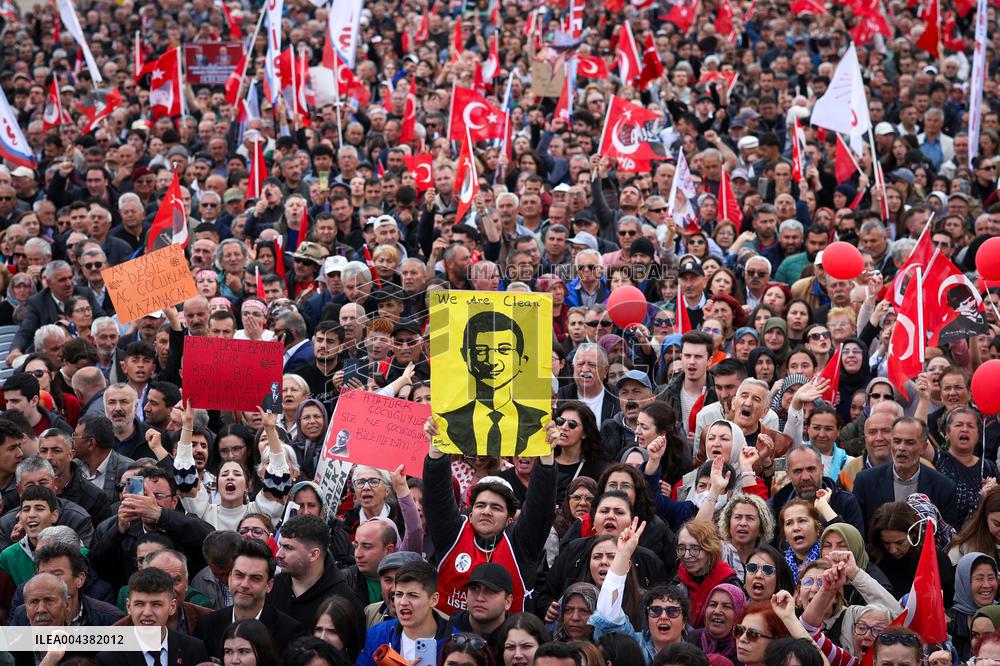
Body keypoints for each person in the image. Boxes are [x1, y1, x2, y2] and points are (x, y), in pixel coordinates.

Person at [422, 417, 557, 616]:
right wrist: (437, 450)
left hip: (506, 640)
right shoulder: (452, 533)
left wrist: (546, 456)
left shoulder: (521, 544)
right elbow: (437, 498)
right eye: (480, 505)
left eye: (496, 507)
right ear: (471, 509)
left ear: (510, 518)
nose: (486, 511)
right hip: (451, 638)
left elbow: (540, 507)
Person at [437, 311, 547, 456]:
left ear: (522, 360)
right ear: (466, 356)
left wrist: (549, 453)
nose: (492, 361)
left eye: (504, 350)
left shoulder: (540, 423)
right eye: (481, 351)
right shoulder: (445, 423)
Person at [194, 539, 304, 660]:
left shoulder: (290, 632)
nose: (245, 584)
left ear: (269, 585)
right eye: (239, 575)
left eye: (255, 578)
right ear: (230, 578)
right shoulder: (207, 625)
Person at [98, 568, 210, 666]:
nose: (147, 612)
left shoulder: (194, 649)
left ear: (172, 606)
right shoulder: (110, 657)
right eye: (139, 604)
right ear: (128, 606)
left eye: (156, 604)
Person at [356, 560, 456, 665]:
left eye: (413, 595)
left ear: (434, 599)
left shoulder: (456, 643)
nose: (403, 602)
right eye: (398, 594)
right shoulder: (378, 635)